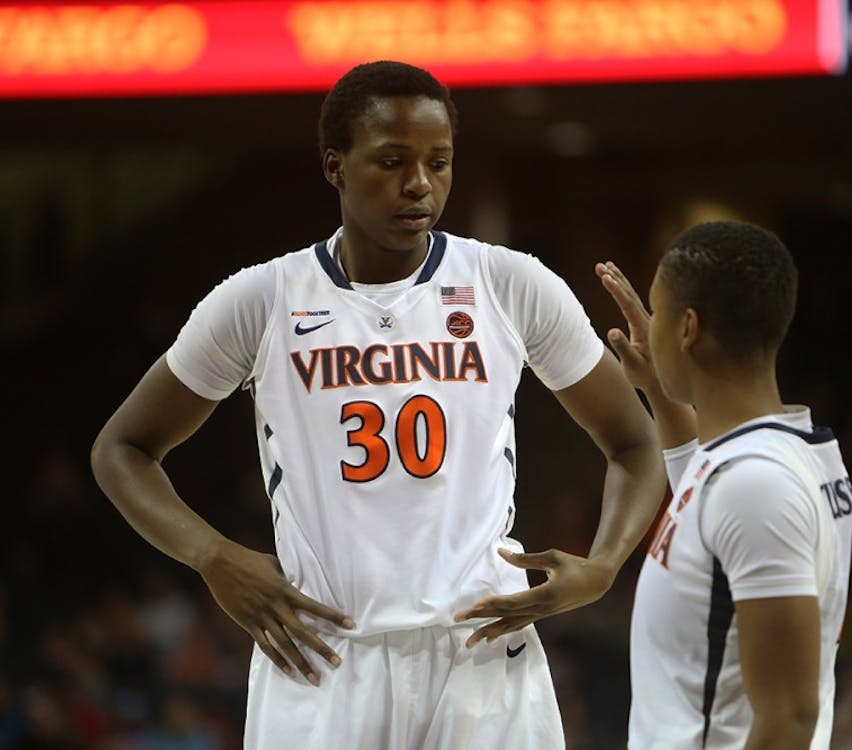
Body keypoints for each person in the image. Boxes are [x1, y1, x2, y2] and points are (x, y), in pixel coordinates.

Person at [90, 60, 666, 749]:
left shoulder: (509, 284)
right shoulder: (263, 298)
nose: (420, 183)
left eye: (439, 161)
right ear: (336, 165)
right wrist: (211, 555)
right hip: (322, 656)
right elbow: (121, 450)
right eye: (392, 161)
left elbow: (635, 444)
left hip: (479, 653)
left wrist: (604, 565)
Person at [595, 221, 852, 749]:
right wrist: (660, 390)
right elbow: (703, 490)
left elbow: (790, 717)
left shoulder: (755, 485)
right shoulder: (774, 453)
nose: (649, 326)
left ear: (688, 328)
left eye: (657, 311)